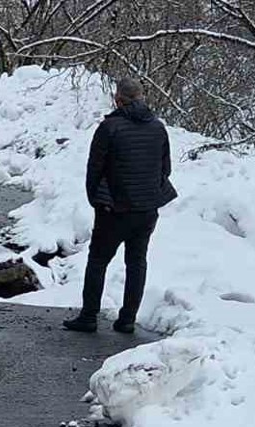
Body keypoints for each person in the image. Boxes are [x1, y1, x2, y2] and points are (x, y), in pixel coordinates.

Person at [63, 78, 176, 334]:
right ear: (142, 97)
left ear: (118, 99)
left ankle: (89, 316)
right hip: (146, 210)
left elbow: (95, 169)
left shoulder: (109, 127)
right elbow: (165, 169)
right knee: (136, 263)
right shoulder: (158, 128)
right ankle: (127, 319)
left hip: (114, 209)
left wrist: (97, 200)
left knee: (98, 260)